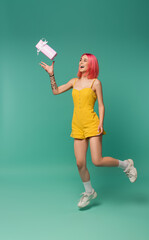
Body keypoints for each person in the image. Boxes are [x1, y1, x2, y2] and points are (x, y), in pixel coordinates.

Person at [39, 53, 137, 209]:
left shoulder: (95, 83)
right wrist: (51, 74)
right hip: (77, 125)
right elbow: (56, 91)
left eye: (85, 60)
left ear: (91, 64)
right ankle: (89, 192)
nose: (81, 62)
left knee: (97, 160)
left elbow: (101, 105)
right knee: (80, 163)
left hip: (92, 124)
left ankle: (126, 165)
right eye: (80, 60)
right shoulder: (74, 81)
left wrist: (101, 123)